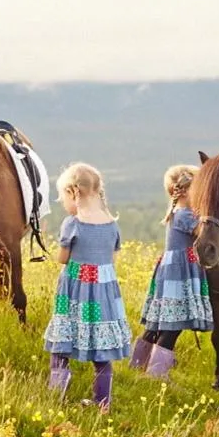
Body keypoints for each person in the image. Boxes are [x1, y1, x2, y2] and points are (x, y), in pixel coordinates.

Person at [43, 162, 131, 412]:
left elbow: (63, 257)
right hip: (103, 296)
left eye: (63, 198)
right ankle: (102, 402)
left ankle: (56, 395)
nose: (64, 203)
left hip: (74, 292)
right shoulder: (112, 225)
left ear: (74, 193)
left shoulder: (73, 224)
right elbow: (111, 260)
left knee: (62, 340)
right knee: (101, 350)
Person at [131, 164, 213, 379]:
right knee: (172, 326)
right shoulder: (186, 215)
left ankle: (138, 363)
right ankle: (157, 373)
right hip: (180, 274)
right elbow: (204, 234)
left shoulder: (177, 212)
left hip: (171, 273)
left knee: (158, 323)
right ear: (185, 191)